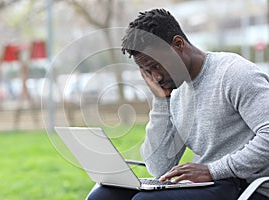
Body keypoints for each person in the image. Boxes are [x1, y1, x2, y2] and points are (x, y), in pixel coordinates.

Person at [87, 8, 269, 200]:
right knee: (102, 196)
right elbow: (158, 167)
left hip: (248, 187)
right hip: (206, 185)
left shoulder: (235, 74)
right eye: (147, 70)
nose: (155, 77)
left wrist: (213, 170)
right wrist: (161, 102)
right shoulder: (174, 92)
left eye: (157, 65)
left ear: (178, 44)